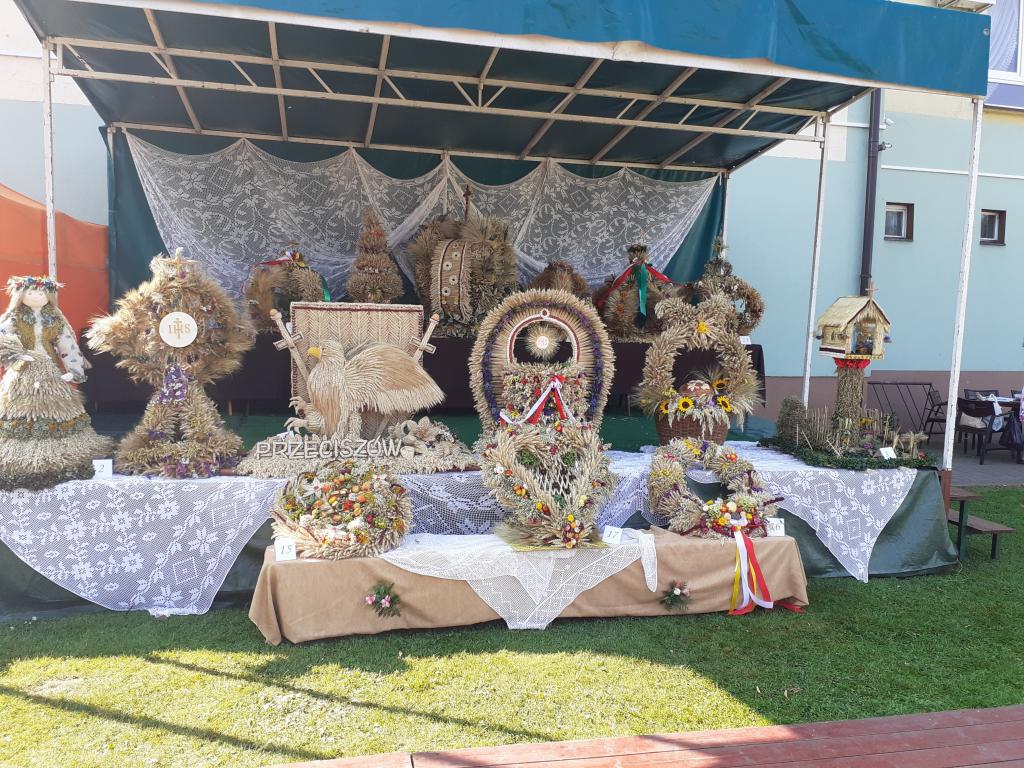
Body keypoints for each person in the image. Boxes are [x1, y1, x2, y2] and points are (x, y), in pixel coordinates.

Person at [0, 275, 86, 383]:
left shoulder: (55, 320)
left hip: (49, 364)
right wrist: (14, 356)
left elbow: (67, 345)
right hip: (22, 365)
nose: (35, 298)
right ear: (20, 296)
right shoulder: (15, 318)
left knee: (50, 389)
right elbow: (3, 338)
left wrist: (74, 371)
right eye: (30, 293)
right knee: (19, 389)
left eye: (41, 294)